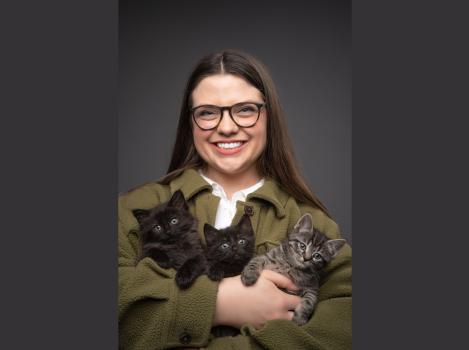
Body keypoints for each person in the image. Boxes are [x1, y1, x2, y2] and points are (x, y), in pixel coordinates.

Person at [118, 50, 352, 350]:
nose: (226, 127)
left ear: (270, 116)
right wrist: (219, 302)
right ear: (190, 123)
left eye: (244, 109)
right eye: (207, 112)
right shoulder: (133, 207)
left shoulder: (310, 221)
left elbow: (345, 323)